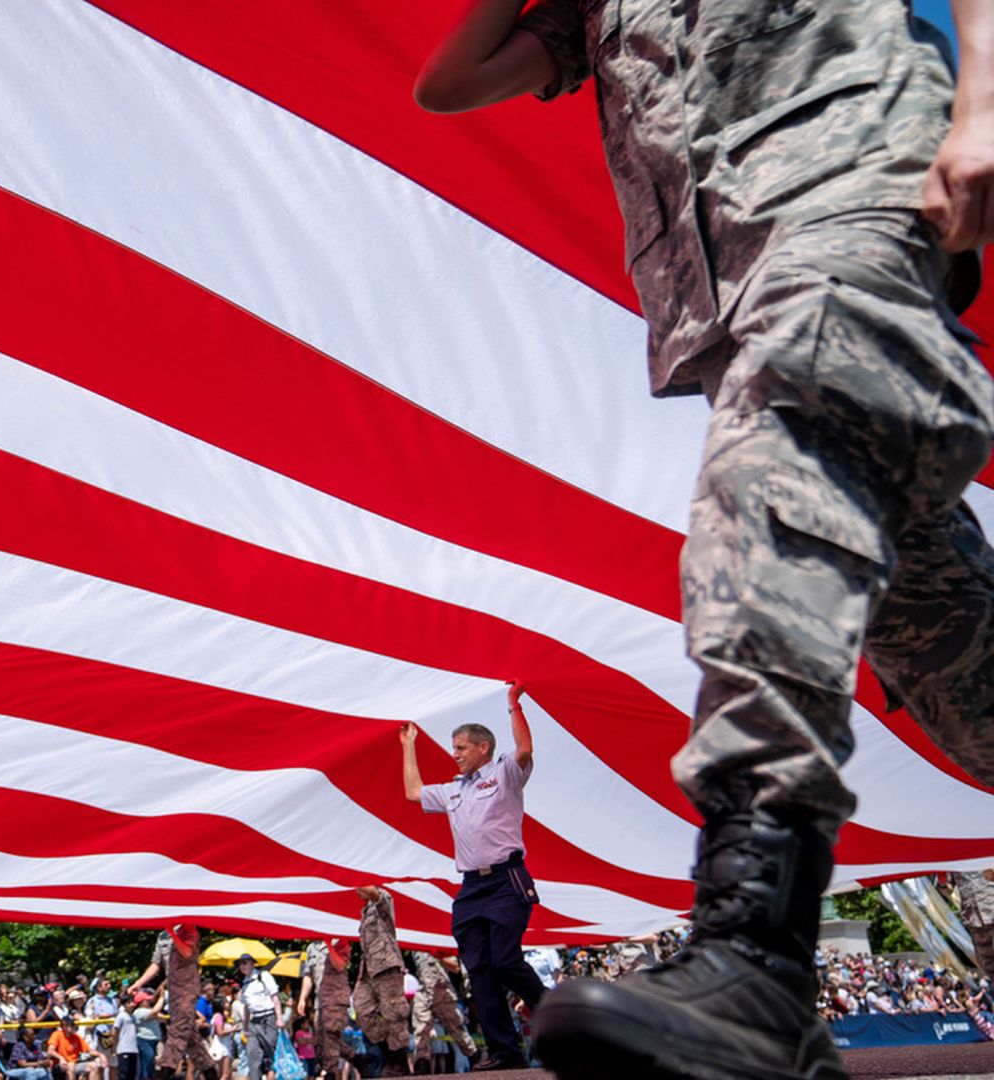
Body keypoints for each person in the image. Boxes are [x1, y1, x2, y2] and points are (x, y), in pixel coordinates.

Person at [414, 2, 994, 1076]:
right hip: (730, 292)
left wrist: (984, 106)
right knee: (943, 636)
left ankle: (756, 952)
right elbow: (447, 83)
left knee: (764, 497)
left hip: (851, 197)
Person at [399, 681, 543, 1069]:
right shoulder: (453, 789)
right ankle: (505, 1052)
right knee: (479, 969)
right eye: (453, 748)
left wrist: (514, 705)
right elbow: (413, 792)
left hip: (506, 879)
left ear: (483, 747)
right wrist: (407, 744)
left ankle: (556, 1017)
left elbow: (526, 749)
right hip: (471, 886)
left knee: (506, 961)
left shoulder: (505, 773)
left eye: (461, 747)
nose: (455, 754)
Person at [153, 927, 214, 1080]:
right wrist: (137, 984)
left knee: (178, 1032)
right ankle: (211, 1074)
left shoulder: (189, 930)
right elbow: (156, 965)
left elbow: (187, 952)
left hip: (186, 992)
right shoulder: (167, 935)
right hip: (175, 993)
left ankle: (163, 1073)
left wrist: (172, 933)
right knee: (193, 1042)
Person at [405, 954, 475, 1072]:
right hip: (423, 992)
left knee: (456, 1027)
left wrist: (439, 955)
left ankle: (472, 1055)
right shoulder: (415, 947)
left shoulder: (438, 942)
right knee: (421, 1028)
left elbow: (455, 967)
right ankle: (422, 1065)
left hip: (441, 990)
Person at [292, 941, 348, 1080]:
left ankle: (335, 1073)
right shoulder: (311, 947)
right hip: (320, 1002)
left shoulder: (340, 942)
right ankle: (329, 1071)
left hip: (336, 1002)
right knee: (322, 1041)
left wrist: (329, 943)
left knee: (332, 1040)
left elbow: (341, 965)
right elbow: (308, 975)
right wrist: (303, 998)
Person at [941, 867, 994, 978]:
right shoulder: (954, 859)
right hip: (974, 919)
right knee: (986, 963)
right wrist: (942, 883)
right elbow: (948, 890)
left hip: (991, 910)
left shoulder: (987, 851)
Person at [230, 956, 277, 1080]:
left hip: (268, 1018)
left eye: (245, 963)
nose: (242, 966)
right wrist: (245, 1026)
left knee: (271, 1052)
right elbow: (246, 1007)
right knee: (252, 1055)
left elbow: (275, 997)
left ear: (252, 964)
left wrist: (280, 1019)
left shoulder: (263, 976)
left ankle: (273, 1074)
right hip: (253, 1021)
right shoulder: (244, 982)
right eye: (240, 964)